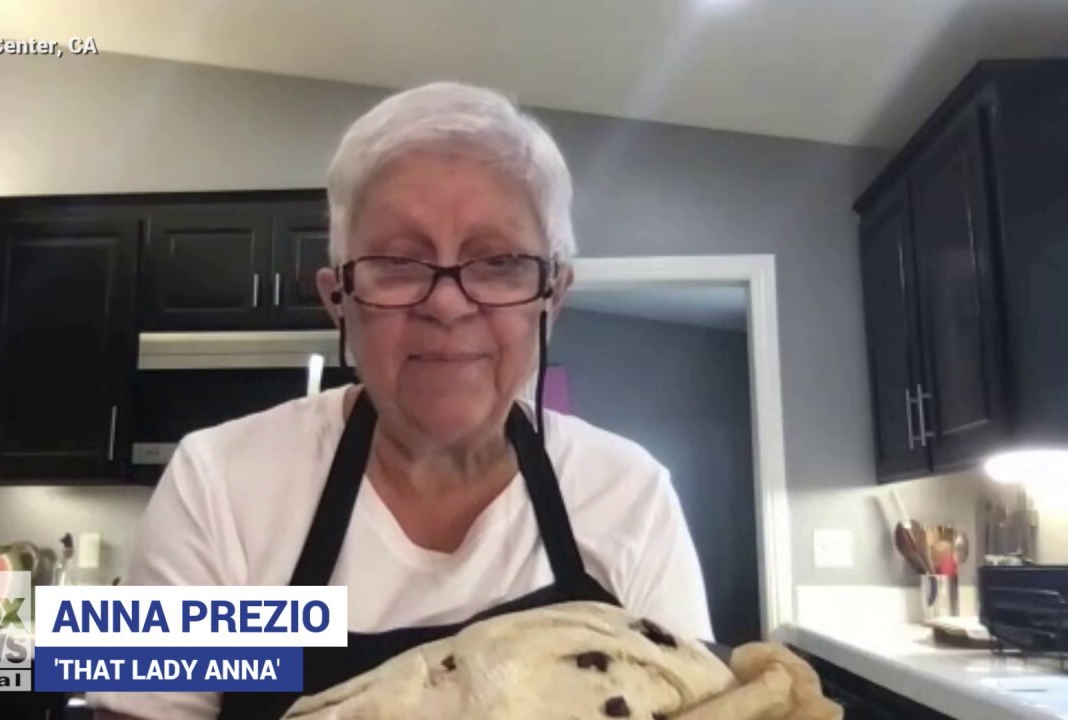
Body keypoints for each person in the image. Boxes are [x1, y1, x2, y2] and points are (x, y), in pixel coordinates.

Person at [90, 81, 714, 720]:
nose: (447, 304)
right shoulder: (218, 484)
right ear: (340, 300)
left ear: (552, 296)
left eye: (498, 261)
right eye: (398, 262)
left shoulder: (629, 495)